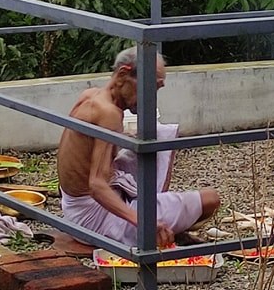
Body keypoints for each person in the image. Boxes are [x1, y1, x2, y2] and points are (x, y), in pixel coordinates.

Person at [58, 46, 220, 248]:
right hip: (92, 220)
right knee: (210, 199)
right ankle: (158, 231)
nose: (152, 97)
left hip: (73, 208)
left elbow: (79, 159)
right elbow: (96, 185)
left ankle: (160, 221)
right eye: (150, 88)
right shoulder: (109, 114)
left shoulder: (91, 95)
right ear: (123, 75)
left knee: (160, 136)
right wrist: (143, 222)